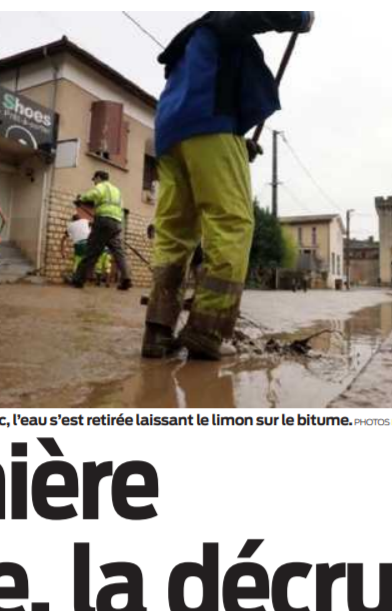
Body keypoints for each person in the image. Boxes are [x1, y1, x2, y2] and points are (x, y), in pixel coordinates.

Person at [142, 11, 314, 360]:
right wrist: (297, 16)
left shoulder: (186, 49)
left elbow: (206, 88)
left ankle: (157, 332)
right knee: (232, 224)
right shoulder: (217, 22)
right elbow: (249, 15)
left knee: (175, 233)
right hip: (211, 124)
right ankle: (207, 330)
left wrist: (240, 143)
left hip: (170, 136)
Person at [71, 170, 132, 290]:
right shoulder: (117, 190)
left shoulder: (101, 186)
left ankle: (78, 279)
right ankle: (126, 279)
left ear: (98, 178)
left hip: (103, 221)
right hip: (117, 223)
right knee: (118, 252)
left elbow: (93, 194)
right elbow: (119, 206)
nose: (94, 182)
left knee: (92, 250)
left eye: (94, 179)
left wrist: (81, 198)